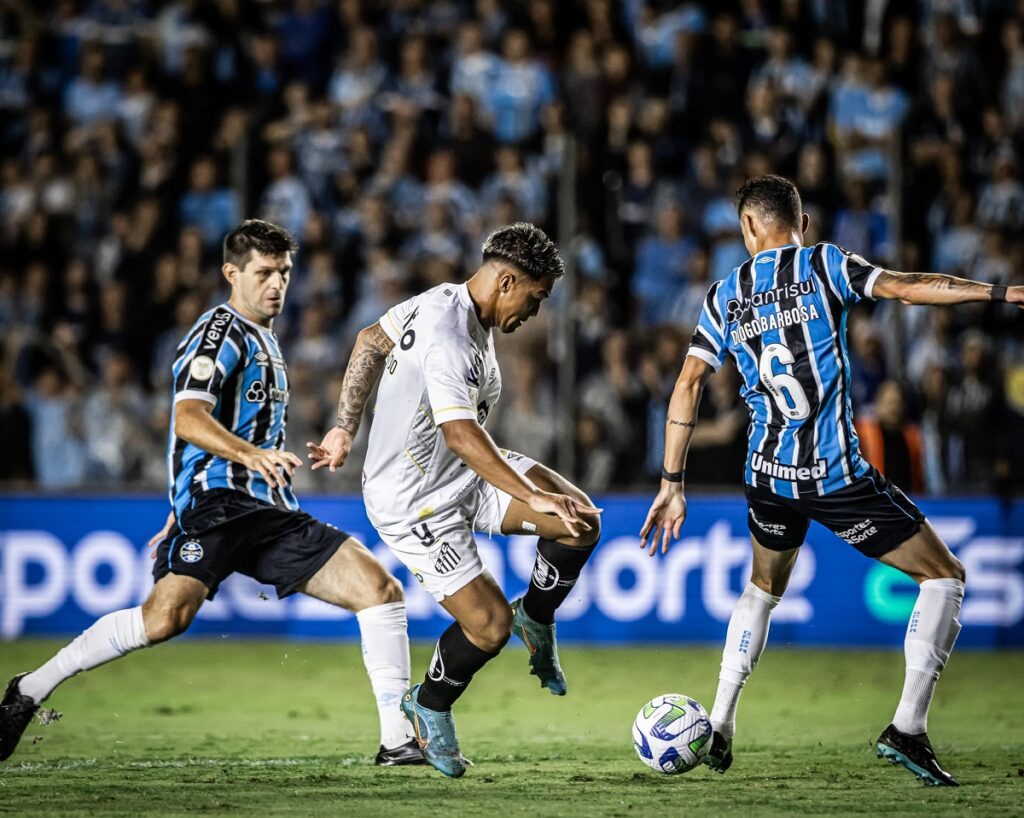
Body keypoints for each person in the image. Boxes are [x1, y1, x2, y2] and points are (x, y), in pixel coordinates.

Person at [639, 175, 1024, 787]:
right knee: (945, 576)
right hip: (833, 474)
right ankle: (907, 726)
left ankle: (721, 722)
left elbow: (687, 384)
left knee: (762, 588)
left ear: (747, 228)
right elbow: (908, 287)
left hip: (767, 474)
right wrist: (999, 292)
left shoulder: (724, 293)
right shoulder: (824, 264)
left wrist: (671, 482)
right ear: (802, 223)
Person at [1, 220, 423, 767]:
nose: (277, 284)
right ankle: (31, 688)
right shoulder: (217, 334)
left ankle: (397, 741)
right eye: (264, 273)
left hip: (268, 510)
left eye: (284, 273)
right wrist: (233, 468)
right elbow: (187, 418)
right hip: (219, 505)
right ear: (231, 273)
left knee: (380, 589)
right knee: (165, 619)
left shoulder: (266, 339)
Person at [309, 223, 602, 778]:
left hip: (462, 472)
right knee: (488, 627)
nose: (536, 312)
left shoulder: (446, 300)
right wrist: (532, 496)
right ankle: (429, 704)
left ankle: (537, 618)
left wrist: (344, 426)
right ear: (507, 282)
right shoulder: (450, 336)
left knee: (579, 521)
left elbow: (370, 340)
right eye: (536, 297)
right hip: (414, 501)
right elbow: (461, 434)